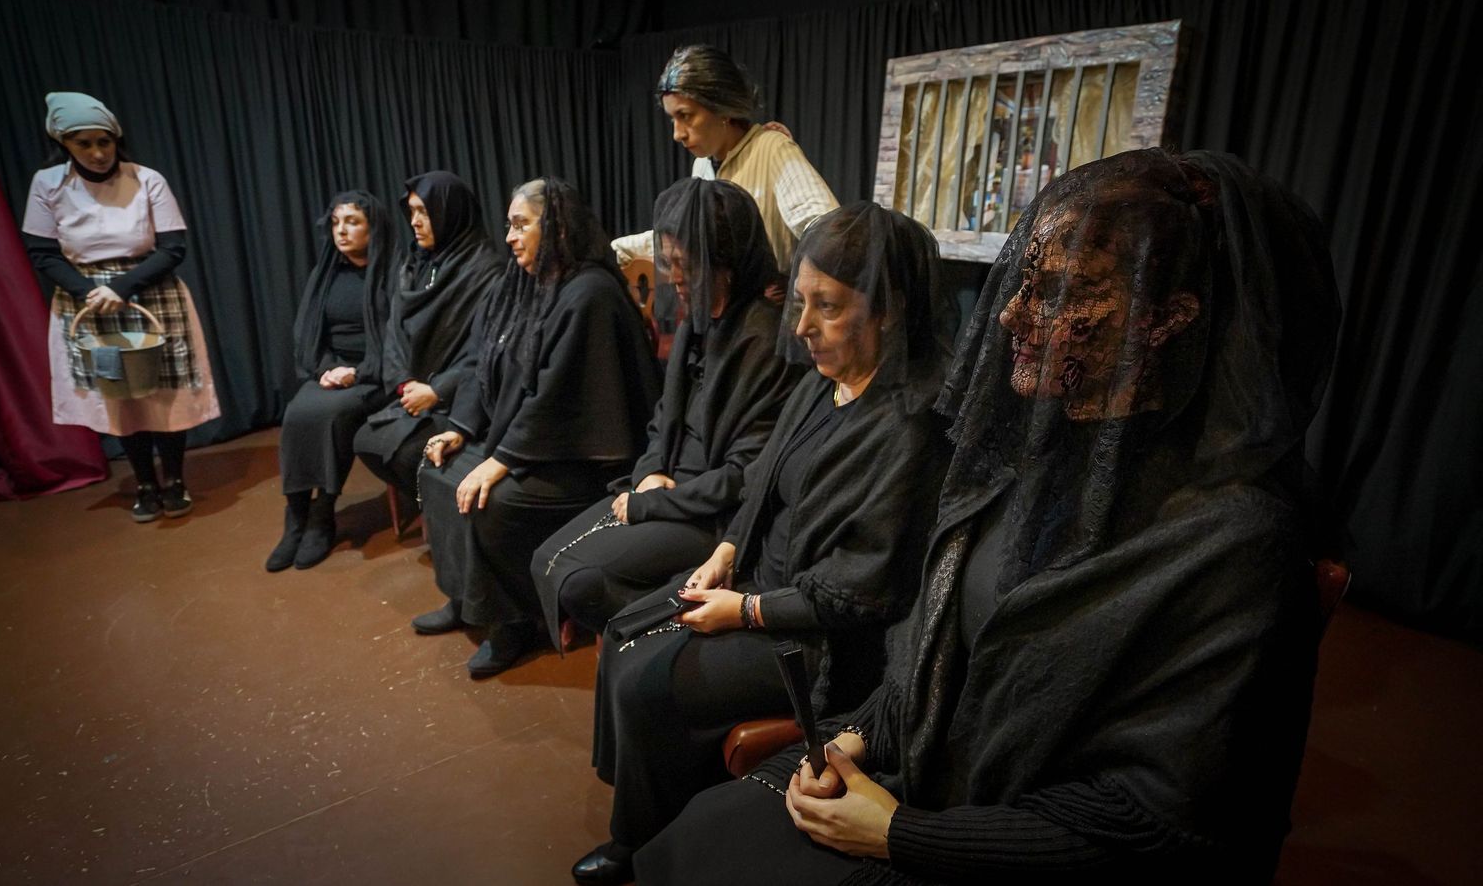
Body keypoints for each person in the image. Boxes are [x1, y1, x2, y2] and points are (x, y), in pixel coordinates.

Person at [639, 149, 1342, 884]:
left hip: (998, 846)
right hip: (915, 784)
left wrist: (902, 834)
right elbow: (933, 660)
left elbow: (1158, 822)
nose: (1011, 312)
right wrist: (855, 737)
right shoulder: (1029, 461)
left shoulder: (1235, 545)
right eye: (1024, 282)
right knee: (697, 836)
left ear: (1167, 318)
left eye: (1059, 293)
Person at [575, 202, 955, 885]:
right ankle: (645, 811)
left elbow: (862, 590)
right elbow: (762, 480)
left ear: (889, 311)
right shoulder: (824, 382)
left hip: (820, 639)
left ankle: (641, 842)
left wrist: (744, 611)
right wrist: (725, 552)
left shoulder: (910, 428)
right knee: (624, 632)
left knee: (643, 680)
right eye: (801, 302)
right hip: (754, 579)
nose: (803, 326)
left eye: (828, 308)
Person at [530, 178, 803, 650]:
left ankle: (644, 634)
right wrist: (651, 470)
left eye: (685, 263)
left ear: (726, 263)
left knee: (576, 580)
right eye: (668, 261)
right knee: (546, 558)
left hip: (712, 518)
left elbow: (745, 477)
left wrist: (652, 503)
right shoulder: (698, 321)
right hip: (669, 491)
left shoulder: (764, 342)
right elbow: (662, 421)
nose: (672, 275)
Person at [414, 177, 662, 677]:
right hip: (533, 442)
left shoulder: (589, 292)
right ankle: (467, 599)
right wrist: (463, 427)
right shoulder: (526, 284)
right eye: (509, 224)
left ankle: (516, 624)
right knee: (437, 469)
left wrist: (501, 460)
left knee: (492, 503)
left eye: (521, 224)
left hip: (582, 457)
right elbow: (486, 361)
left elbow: (558, 398)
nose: (509, 236)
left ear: (557, 228)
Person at [21, 91, 221, 521]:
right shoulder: (49, 185)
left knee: (163, 392)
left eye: (103, 142)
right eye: (84, 143)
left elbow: (172, 246)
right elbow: (43, 251)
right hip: (87, 301)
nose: (96, 152)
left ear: (116, 140)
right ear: (64, 145)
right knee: (120, 394)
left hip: (149, 290)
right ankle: (144, 483)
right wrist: (88, 291)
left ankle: (176, 480)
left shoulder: (146, 179)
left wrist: (123, 287)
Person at [612, 44, 838, 332]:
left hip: (769, 328)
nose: (677, 134)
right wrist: (611, 250)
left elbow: (826, 228)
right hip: (724, 321)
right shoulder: (703, 167)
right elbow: (687, 240)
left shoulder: (771, 149)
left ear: (722, 108)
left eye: (686, 116)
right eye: (673, 119)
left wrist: (795, 283)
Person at [264, 191, 398, 571]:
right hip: (331, 372)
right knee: (296, 414)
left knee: (333, 416)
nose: (342, 231)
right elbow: (309, 331)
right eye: (337, 223)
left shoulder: (393, 273)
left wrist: (358, 372)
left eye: (352, 222)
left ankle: (323, 513)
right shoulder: (327, 272)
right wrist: (325, 369)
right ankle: (296, 518)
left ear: (373, 227)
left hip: (374, 376)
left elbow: (397, 342)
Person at [353, 171, 501, 506]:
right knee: (365, 438)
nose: (415, 222)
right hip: (412, 392)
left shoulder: (484, 271)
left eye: (425, 212)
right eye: (413, 212)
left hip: (459, 400)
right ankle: (430, 505)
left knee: (408, 454)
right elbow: (394, 331)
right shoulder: (417, 263)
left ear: (450, 213)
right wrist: (405, 385)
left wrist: (436, 391)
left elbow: (485, 351)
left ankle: (442, 513)